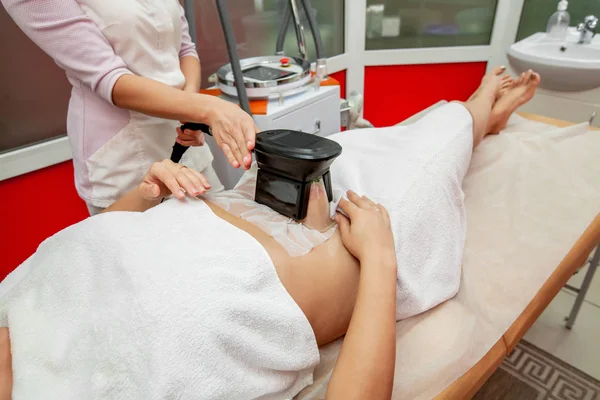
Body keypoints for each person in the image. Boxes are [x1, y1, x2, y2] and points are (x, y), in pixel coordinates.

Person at [0, 67, 540, 399]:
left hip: (248, 201)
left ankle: (470, 118)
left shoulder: (11, 301)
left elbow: (99, 241)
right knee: (425, 164)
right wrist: (380, 260)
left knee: (364, 144)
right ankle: (475, 115)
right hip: (354, 237)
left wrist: (144, 194)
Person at [1, 0, 258, 215]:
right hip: (124, 157)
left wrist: (189, 113)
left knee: (217, 239)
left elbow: (184, 49)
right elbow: (111, 81)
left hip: (186, 145)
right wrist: (206, 109)